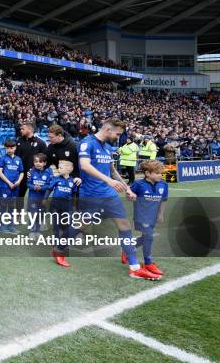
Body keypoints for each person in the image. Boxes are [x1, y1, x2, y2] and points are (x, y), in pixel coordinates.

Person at [78, 118, 159, 280]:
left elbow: (113, 171)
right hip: (91, 194)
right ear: (107, 129)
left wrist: (127, 188)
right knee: (81, 225)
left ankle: (134, 267)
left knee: (124, 225)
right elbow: (85, 165)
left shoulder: (107, 148)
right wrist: (108, 180)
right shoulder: (87, 143)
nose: (118, 137)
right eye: (117, 134)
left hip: (109, 194)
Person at [124, 160, 168, 276]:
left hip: (153, 216)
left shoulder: (163, 184)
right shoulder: (138, 184)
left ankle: (127, 249)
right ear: (148, 173)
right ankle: (148, 263)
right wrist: (131, 196)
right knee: (148, 237)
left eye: (161, 173)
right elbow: (129, 195)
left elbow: (164, 200)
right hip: (141, 215)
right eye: (157, 173)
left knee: (145, 237)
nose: (160, 175)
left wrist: (161, 214)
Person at [44, 160, 78, 267]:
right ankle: (56, 246)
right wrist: (45, 199)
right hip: (55, 205)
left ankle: (62, 244)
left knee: (68, 225)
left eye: (61, 167)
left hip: (67, 207)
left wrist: (75, 206)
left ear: (69, 169)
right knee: (56, 226)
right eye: (59, 167)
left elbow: (74, 195)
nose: (59, 169)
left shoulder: (73, 181)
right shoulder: (55, 179)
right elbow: (49, 189)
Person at [0, 139, 24, 233]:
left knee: (12, 206)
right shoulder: (2, 158)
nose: (9, 149)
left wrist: (19, 181)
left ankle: (11, 226)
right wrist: (9, 182)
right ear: (5, 148)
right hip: (5, 186)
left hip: (15, 186)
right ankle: (3, 226)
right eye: (7, 148)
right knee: (4, 206)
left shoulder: (18, 159)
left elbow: (21, 172)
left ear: (15, 148)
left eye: (11, 147)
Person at [15, 122, 47, 198]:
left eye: (23, 129)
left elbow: (45, 159)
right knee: (19, 196)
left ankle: (36, 210)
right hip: (21, 174)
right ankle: (19, 210)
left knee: (37, 197)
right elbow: (16, 157)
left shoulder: (40, 143)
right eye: (20, 129)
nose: (21, 130)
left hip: (35, 174)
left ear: (30, 129)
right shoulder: (19, 141)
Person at [26, 153, 52, 235]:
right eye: (36, 161)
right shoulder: (31, 172)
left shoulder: (48, 173)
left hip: (42, 198)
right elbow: (28, 184)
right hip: (32, 198)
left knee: (40, 215)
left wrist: (41, 188)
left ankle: (37, 230)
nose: (38, 163)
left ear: (45, 163)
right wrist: (34, 187)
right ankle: (32, 231)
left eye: (40, 162)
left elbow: (49, 185)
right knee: (33, 214)